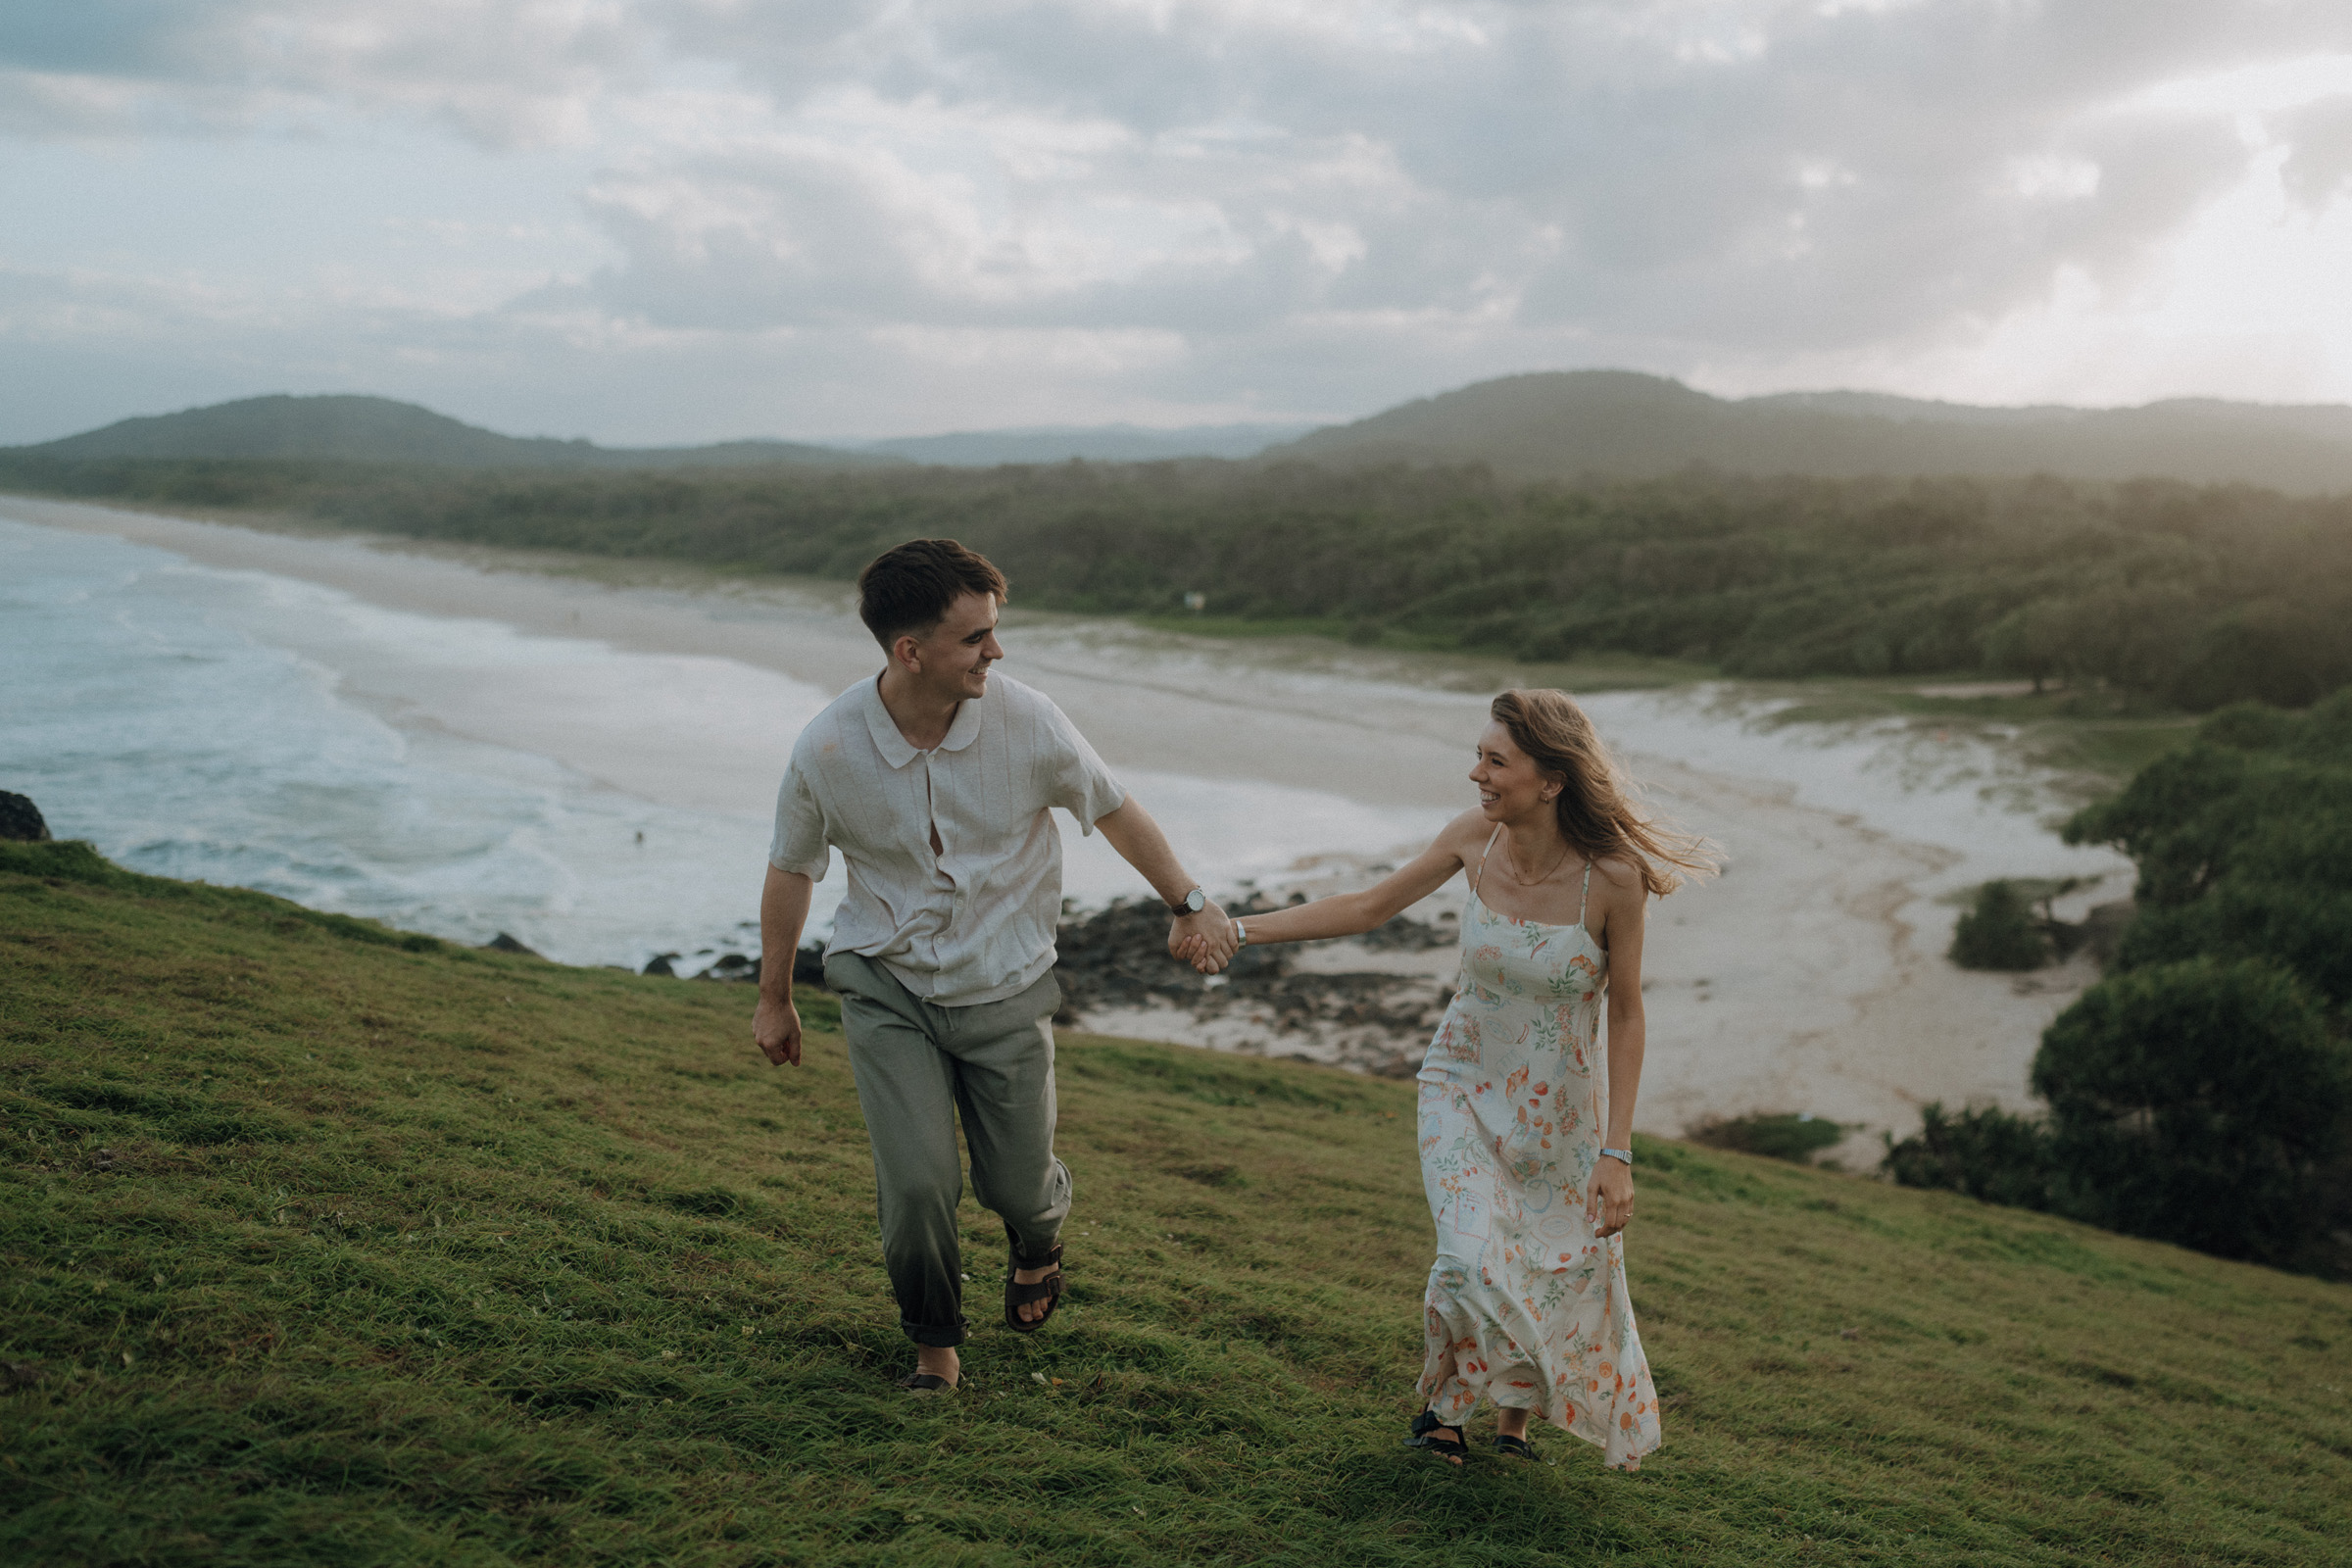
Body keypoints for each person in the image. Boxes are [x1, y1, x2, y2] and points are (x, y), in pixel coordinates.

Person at [753, 538, 1240, 1393]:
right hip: (885, 981)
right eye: (975, 637)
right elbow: (794, 868)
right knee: (917, 1185)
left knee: (1017, 1186)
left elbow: (1114, 810)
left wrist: (1189, 901)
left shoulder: (1029, 720)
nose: (996, 651)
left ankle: (1039, 1237)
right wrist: (775, 998)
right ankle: (935, 1346)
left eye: (994, 632)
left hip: (1008, 984)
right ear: (911, 652)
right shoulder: (827, 747)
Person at [1184, 689, 1712, 1469]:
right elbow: (1369, 906)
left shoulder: (1614, 879)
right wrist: (1236, 929)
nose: (1477, 775)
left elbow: (1628, 1014)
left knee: (1549, 1261)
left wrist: (1617, 1149)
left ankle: (1513, 1421)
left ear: (1552, 780)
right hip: (1460, 1084)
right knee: (1469, 1255)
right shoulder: (1475, 840)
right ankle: (1438, 1411)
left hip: (1561, 1116)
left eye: (1496, 761)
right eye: (1479, 756)